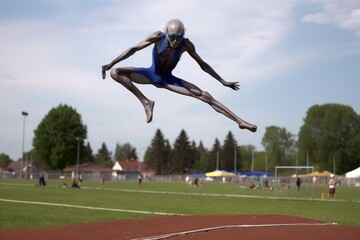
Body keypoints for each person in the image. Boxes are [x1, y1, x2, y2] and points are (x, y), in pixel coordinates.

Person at [102, 19, 257, 132]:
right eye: (172, 38)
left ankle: (240, 121)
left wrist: (222, 81)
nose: (175, 41)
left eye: (178, 37)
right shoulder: (157, 37)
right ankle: (146, 102)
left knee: (205, 96)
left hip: (168, 80)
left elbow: (202, 64)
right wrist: (111, 63)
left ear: (183, 36)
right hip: (150, 74)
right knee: (115, 72)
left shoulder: (186, 45)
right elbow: (133, 49)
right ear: (167, 33)